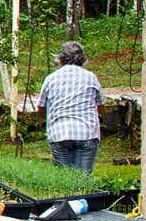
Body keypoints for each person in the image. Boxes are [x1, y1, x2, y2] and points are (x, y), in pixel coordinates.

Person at [38, 40, 104, 174]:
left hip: (59, 133)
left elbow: (41, 107)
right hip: (87, 132)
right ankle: (84, 194)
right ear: (82, 59)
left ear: (60, 58)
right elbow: (101, 106)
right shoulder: (90, 77)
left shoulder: (51, 78)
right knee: (84, 179)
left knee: (65, 179)